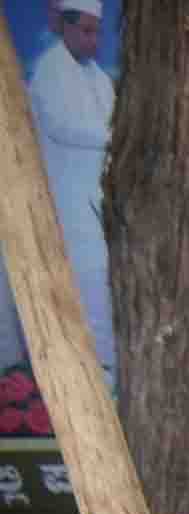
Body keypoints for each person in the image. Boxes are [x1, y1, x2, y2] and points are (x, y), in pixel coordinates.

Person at [0, 4, 113, 389]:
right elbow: (63, 126)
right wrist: (118, 136)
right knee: (82, 293)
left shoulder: (101, 78)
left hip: (99, 207)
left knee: (103, 292)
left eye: (97, 32)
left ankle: (108, 379)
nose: (94, 41)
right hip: (67, 211)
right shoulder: (49, 72)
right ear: (65, 27)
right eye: (86, 31)